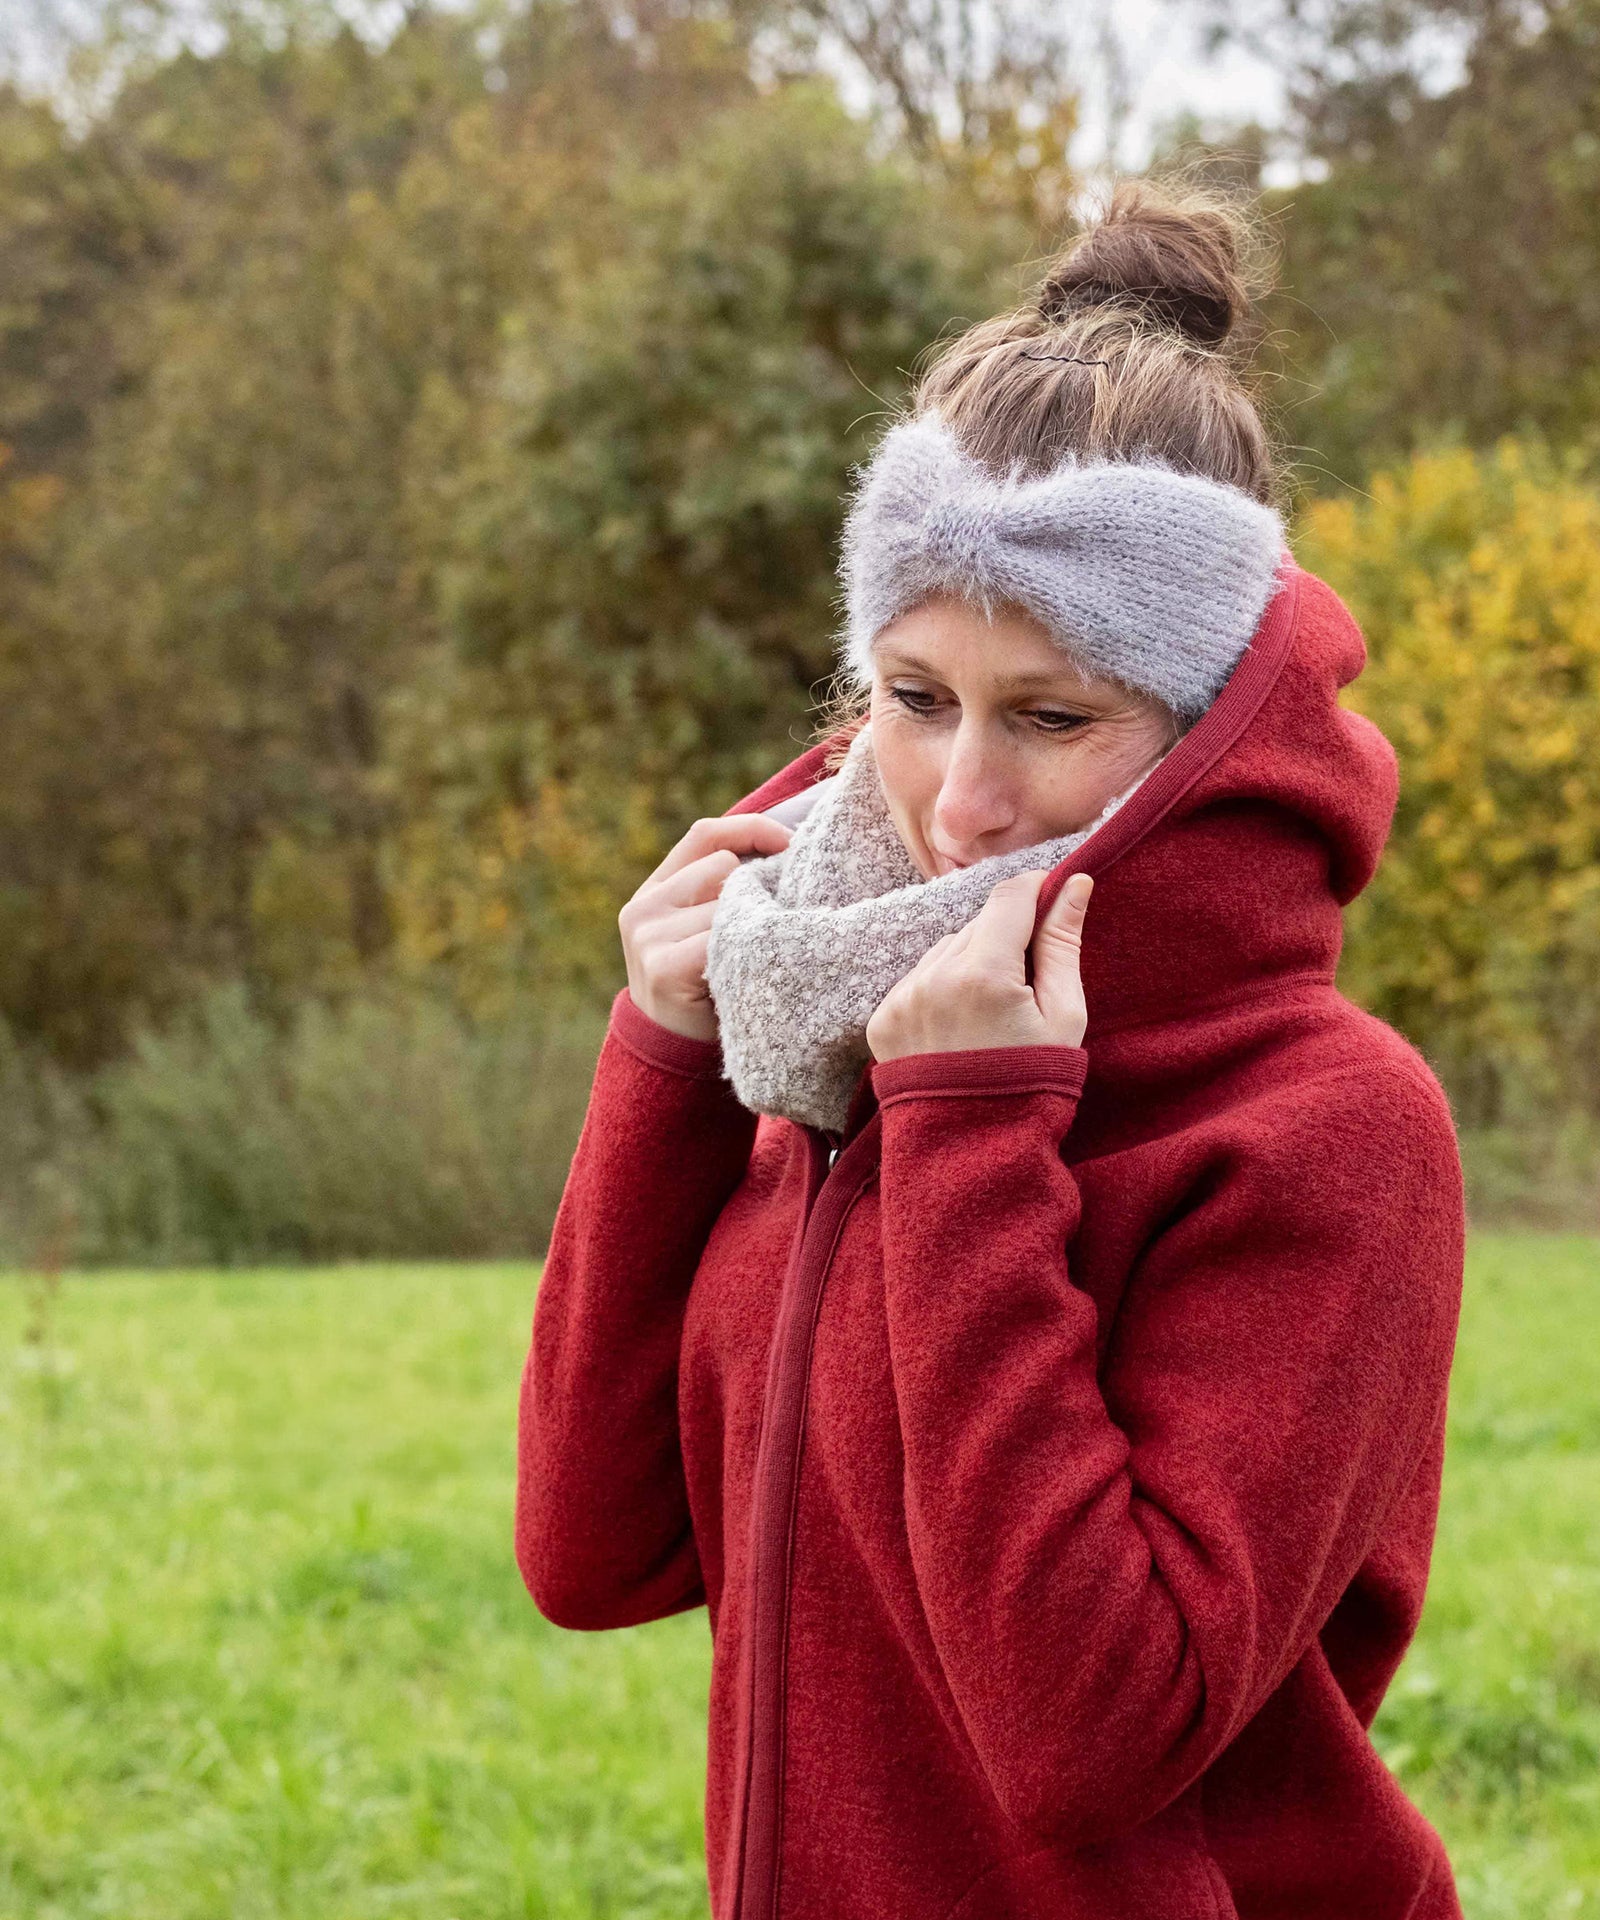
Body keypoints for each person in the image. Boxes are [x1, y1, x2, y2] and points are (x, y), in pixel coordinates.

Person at [515, 179, 1467, 1920]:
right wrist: (663, 1057)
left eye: (1051, 717)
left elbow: (1089, 1739)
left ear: (1212, 732)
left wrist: (970, 1137)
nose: (960, 802)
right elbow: (593, 1553)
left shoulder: (1330, 1126)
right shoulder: (825, 1037)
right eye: (913, 694)